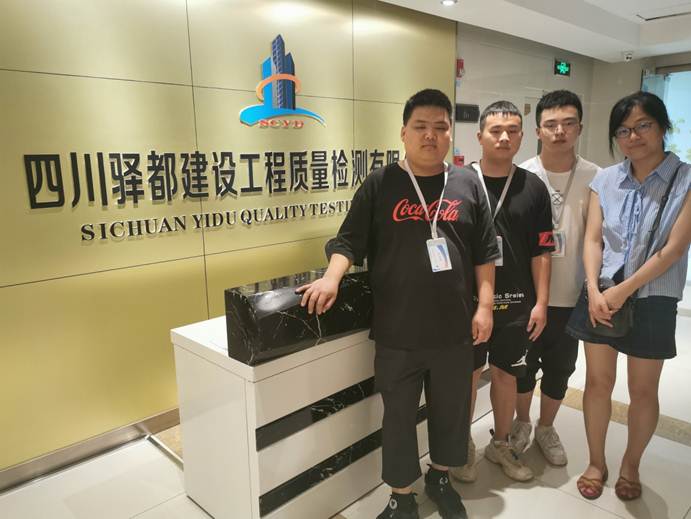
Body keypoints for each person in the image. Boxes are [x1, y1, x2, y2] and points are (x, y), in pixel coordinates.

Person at [298, 89, 499, 519]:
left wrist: (484, 307)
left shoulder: (467, 184)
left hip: (454, 330)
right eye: (420, 127)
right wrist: (331, 277)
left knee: (451, 413)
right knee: (398, 418)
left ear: (451, 134)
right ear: (403, 133)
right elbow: (348, 240)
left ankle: (440, 478)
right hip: (397, 330)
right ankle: (401, 496)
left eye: (440, 127)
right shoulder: (380, 183)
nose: (430, 135)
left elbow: (485, 252)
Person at [566, 91, 690, 501]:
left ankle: (631, 464)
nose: (633, 136)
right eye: (623, 130)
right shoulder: (605, 180)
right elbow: (593, 239)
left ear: (663, 127)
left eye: (643, 126)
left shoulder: (686, 179)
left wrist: (624, 289)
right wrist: (592, 287)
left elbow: (674, 249)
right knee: (597, 382)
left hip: (653, 298)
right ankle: (596, 462)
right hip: (600, 294)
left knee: (643, 391)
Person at [451, 101, 554, 484]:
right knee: (466, 374)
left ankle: (500, 443)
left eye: (512, 131)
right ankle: (461, 444)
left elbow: (543, 251)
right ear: (480, 136)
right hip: (467, 303)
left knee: (506, 375)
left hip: (516, 302)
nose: (504, 137)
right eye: (496, 131)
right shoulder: (458, 182)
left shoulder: (534, 187)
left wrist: (541, 302)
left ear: (523, 137)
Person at [511, 90, 600, 466]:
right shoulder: (521, 175)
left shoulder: (596, 177)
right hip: (527, 296)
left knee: (561, 368)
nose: (559, 131)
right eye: (551, 124)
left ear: (580, 128)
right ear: (538, 131)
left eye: (568, 123)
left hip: (572, 293)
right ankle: (521, 423)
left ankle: (546, 427)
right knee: (521, 366)